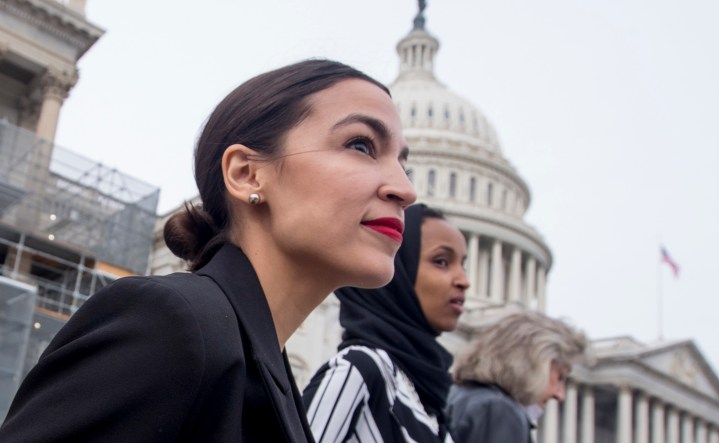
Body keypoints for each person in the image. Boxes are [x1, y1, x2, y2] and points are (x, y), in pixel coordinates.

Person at [0, 59, 416, 442]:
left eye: (403, 163)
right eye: (361, 145)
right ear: (247, 174)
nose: (405, 190)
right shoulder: (170, 322)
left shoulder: (262, 366)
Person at [303, 203, 469, 443]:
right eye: (441, 261)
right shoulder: (358, 370)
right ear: (399, 271)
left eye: (463, 264)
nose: (464, 281)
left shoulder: (429, 403)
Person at [445, 311, 589, 443]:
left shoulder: (459, 396)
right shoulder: (499, 412)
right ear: (534, 363)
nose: (560, 394)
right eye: (560, 377)